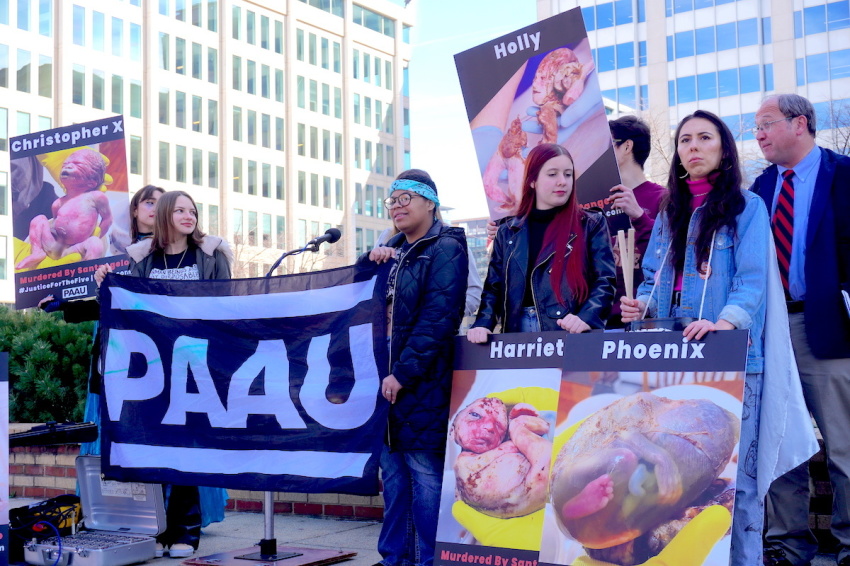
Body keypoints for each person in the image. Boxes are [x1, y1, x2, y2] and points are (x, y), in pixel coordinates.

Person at [619, 109, 772, 566]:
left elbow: (752, 281)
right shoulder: (669, 210)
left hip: (729, 356)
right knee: (680, 482)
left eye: (705, 138)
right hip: (671, 358)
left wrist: (725, 322)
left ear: (723, 148)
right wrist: (639, 306)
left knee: (737, 483)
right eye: (686, 140)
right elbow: (651, 279)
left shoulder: (747, 207)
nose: (694, 146)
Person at [98, 190, 232, 558]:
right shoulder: (143, 259)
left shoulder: (211, 255)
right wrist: (105, 286)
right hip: (155, 366)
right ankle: (157, 531)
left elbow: (228, 304)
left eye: (193, 211)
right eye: (180, 210)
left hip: (197, 362)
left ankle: (186, 532)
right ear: (164, 217)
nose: (189, 216)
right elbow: (130, 311)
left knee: (186, 446)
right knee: (155, 446)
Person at [753, 95, 850, 566]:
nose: (759, 134)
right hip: (772, 329)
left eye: (767, 124)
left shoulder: (844, 174)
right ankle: (788, 546)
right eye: (755, 127)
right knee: (779, 438)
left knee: (843, 443)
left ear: (801, 123)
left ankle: (849, 547)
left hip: (828, 325)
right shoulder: (759, 189)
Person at [366, 170, 468, 566]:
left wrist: (403, 373)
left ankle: (429, 560)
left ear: (431, 203)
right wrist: (368, 262)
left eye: (408, 197)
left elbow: (438, 319)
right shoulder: (389, 251)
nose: (398, 206)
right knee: (393, 481)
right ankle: (394, 558)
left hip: (421, 383)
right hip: (386, 385)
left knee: (425, 478)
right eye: (393, 200)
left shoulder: (445, 248)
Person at [468, 142, 615, 340]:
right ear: (532, 181)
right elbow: (494, 287)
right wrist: (483, 323)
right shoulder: (508, 231)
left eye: (568, 174)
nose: (562, 181)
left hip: (571, 331)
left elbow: (605, 280)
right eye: (552, 174)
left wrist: (587, 317)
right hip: (517, 333)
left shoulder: (590, 223)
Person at [605, 116, 666, 328]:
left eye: (608, 144)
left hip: (645, 316)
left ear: (626, 146)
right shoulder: (595, 199)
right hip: (600, 319)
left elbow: (668, 255)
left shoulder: (664, 198)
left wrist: (639, 216)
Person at [16, 148, 113, 269]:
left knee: (96, 244)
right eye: (65, 164)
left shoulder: (95, 197)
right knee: (39, 219)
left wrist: (98, 236)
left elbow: (107, 219)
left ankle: (88, 273)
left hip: (77, 248)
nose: (67, 167)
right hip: (53, 246)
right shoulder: (58, 203)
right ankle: (37, 252)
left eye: (77, 164)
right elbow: (55, 223)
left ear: (92, 181)